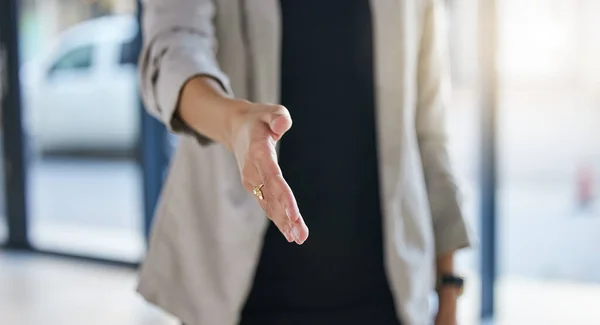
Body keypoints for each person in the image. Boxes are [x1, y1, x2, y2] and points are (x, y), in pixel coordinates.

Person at [137, 1, 475, 324]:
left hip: (387, 299)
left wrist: (448, 287)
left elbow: (429, 133)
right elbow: (172, 48)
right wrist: (234, 122)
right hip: (237, 295)